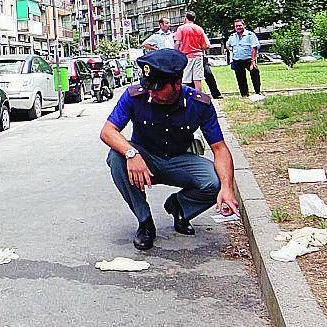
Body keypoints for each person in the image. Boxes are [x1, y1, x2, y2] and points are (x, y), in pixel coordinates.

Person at [99, 47, 238, 252]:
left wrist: (228, 187)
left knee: (215, 181)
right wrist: (132, 153)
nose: (151, 93)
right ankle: (145, 222)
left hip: (179, 160)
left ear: (177, 83)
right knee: (116, 157)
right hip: (145, 161)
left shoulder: (199, 104)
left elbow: (219, 148)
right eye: (149, 87)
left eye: (157, 88)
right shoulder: (134, 96)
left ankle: (180, 208)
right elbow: (108, 131)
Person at [226, 19, 263, 100]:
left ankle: (258, 92)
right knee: (240, 78)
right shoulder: (232, 36)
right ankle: (244, 95)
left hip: (249, 60)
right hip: (237, 60)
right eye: (236, 26)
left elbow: (254, 47)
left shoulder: (250, 35)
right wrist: (232, 49)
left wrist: (253, 61)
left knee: (255, 73)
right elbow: (227, 45)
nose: (238, 27)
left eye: (240, 25)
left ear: (244, 25)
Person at [174, 9, 209, 92]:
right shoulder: (199, 29)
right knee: (198, 80)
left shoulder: (181, 28)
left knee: (185, 80)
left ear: (186, 18)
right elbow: (206, 45)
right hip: (198, 55)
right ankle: (199, 99)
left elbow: (177, 43)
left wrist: (176, 53)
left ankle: (182, 99)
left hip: (186, 56)